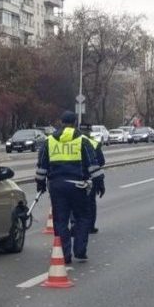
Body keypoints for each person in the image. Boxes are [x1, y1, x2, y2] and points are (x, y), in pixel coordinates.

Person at [36, 112, 104, 264]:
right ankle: (80, 251)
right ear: (75, 122)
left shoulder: (49, 141)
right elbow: (93, 164)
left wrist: (40, 184)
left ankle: (64, 254)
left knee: (60, 220)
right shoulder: (82, 140)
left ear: (61, 122)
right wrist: (100, 182)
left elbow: (42, 166)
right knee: (82, 217)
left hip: (57, 186)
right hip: (78, 186)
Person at [78, 123, 107, 234]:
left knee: (75, 203)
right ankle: (90, 226)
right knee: (90, 203)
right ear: (90, 131)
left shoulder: (73, 141)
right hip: (91, 178)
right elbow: (101, 162)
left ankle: (76, 225)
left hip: (75, 177)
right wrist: (100, 182)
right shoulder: (93, 143)